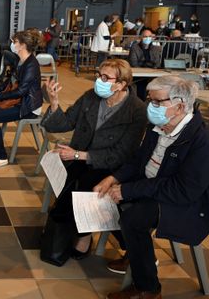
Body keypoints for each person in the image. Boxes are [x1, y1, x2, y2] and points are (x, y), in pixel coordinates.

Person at [96, 76, 209, 299]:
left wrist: (130, 190)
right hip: (158, 187)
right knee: (107, 195)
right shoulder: (158, 126)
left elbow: (182, 190)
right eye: (150, 100)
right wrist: (114, 178)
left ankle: (148, 289)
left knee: (133, 220)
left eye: (157, 102)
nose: (150, 106)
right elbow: (138, 161)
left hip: (193, 204)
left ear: (180, 106)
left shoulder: (203, 141)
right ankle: (136, 252)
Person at [39, 59, 147, 267]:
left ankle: (85, 237)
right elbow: (65, 123)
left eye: (106, 78)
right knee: (69, 189)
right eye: (99, 75)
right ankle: (73, 236)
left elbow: (122, 154)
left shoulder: (137, 110)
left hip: (112, 167)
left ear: (122, 84)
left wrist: (78, 155)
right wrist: (54, 102)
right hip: (81, 158)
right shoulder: (91, 97)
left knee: (86, 187)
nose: (99, 81)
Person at [0, 29, 43, 169]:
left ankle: (1, 156)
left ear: (23, 45)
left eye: (15, 42)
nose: (12, 44)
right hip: (19, 101)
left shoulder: (31, 64)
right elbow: (10, 81)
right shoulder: (20, 60)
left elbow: (22, 91)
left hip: (28, 106)